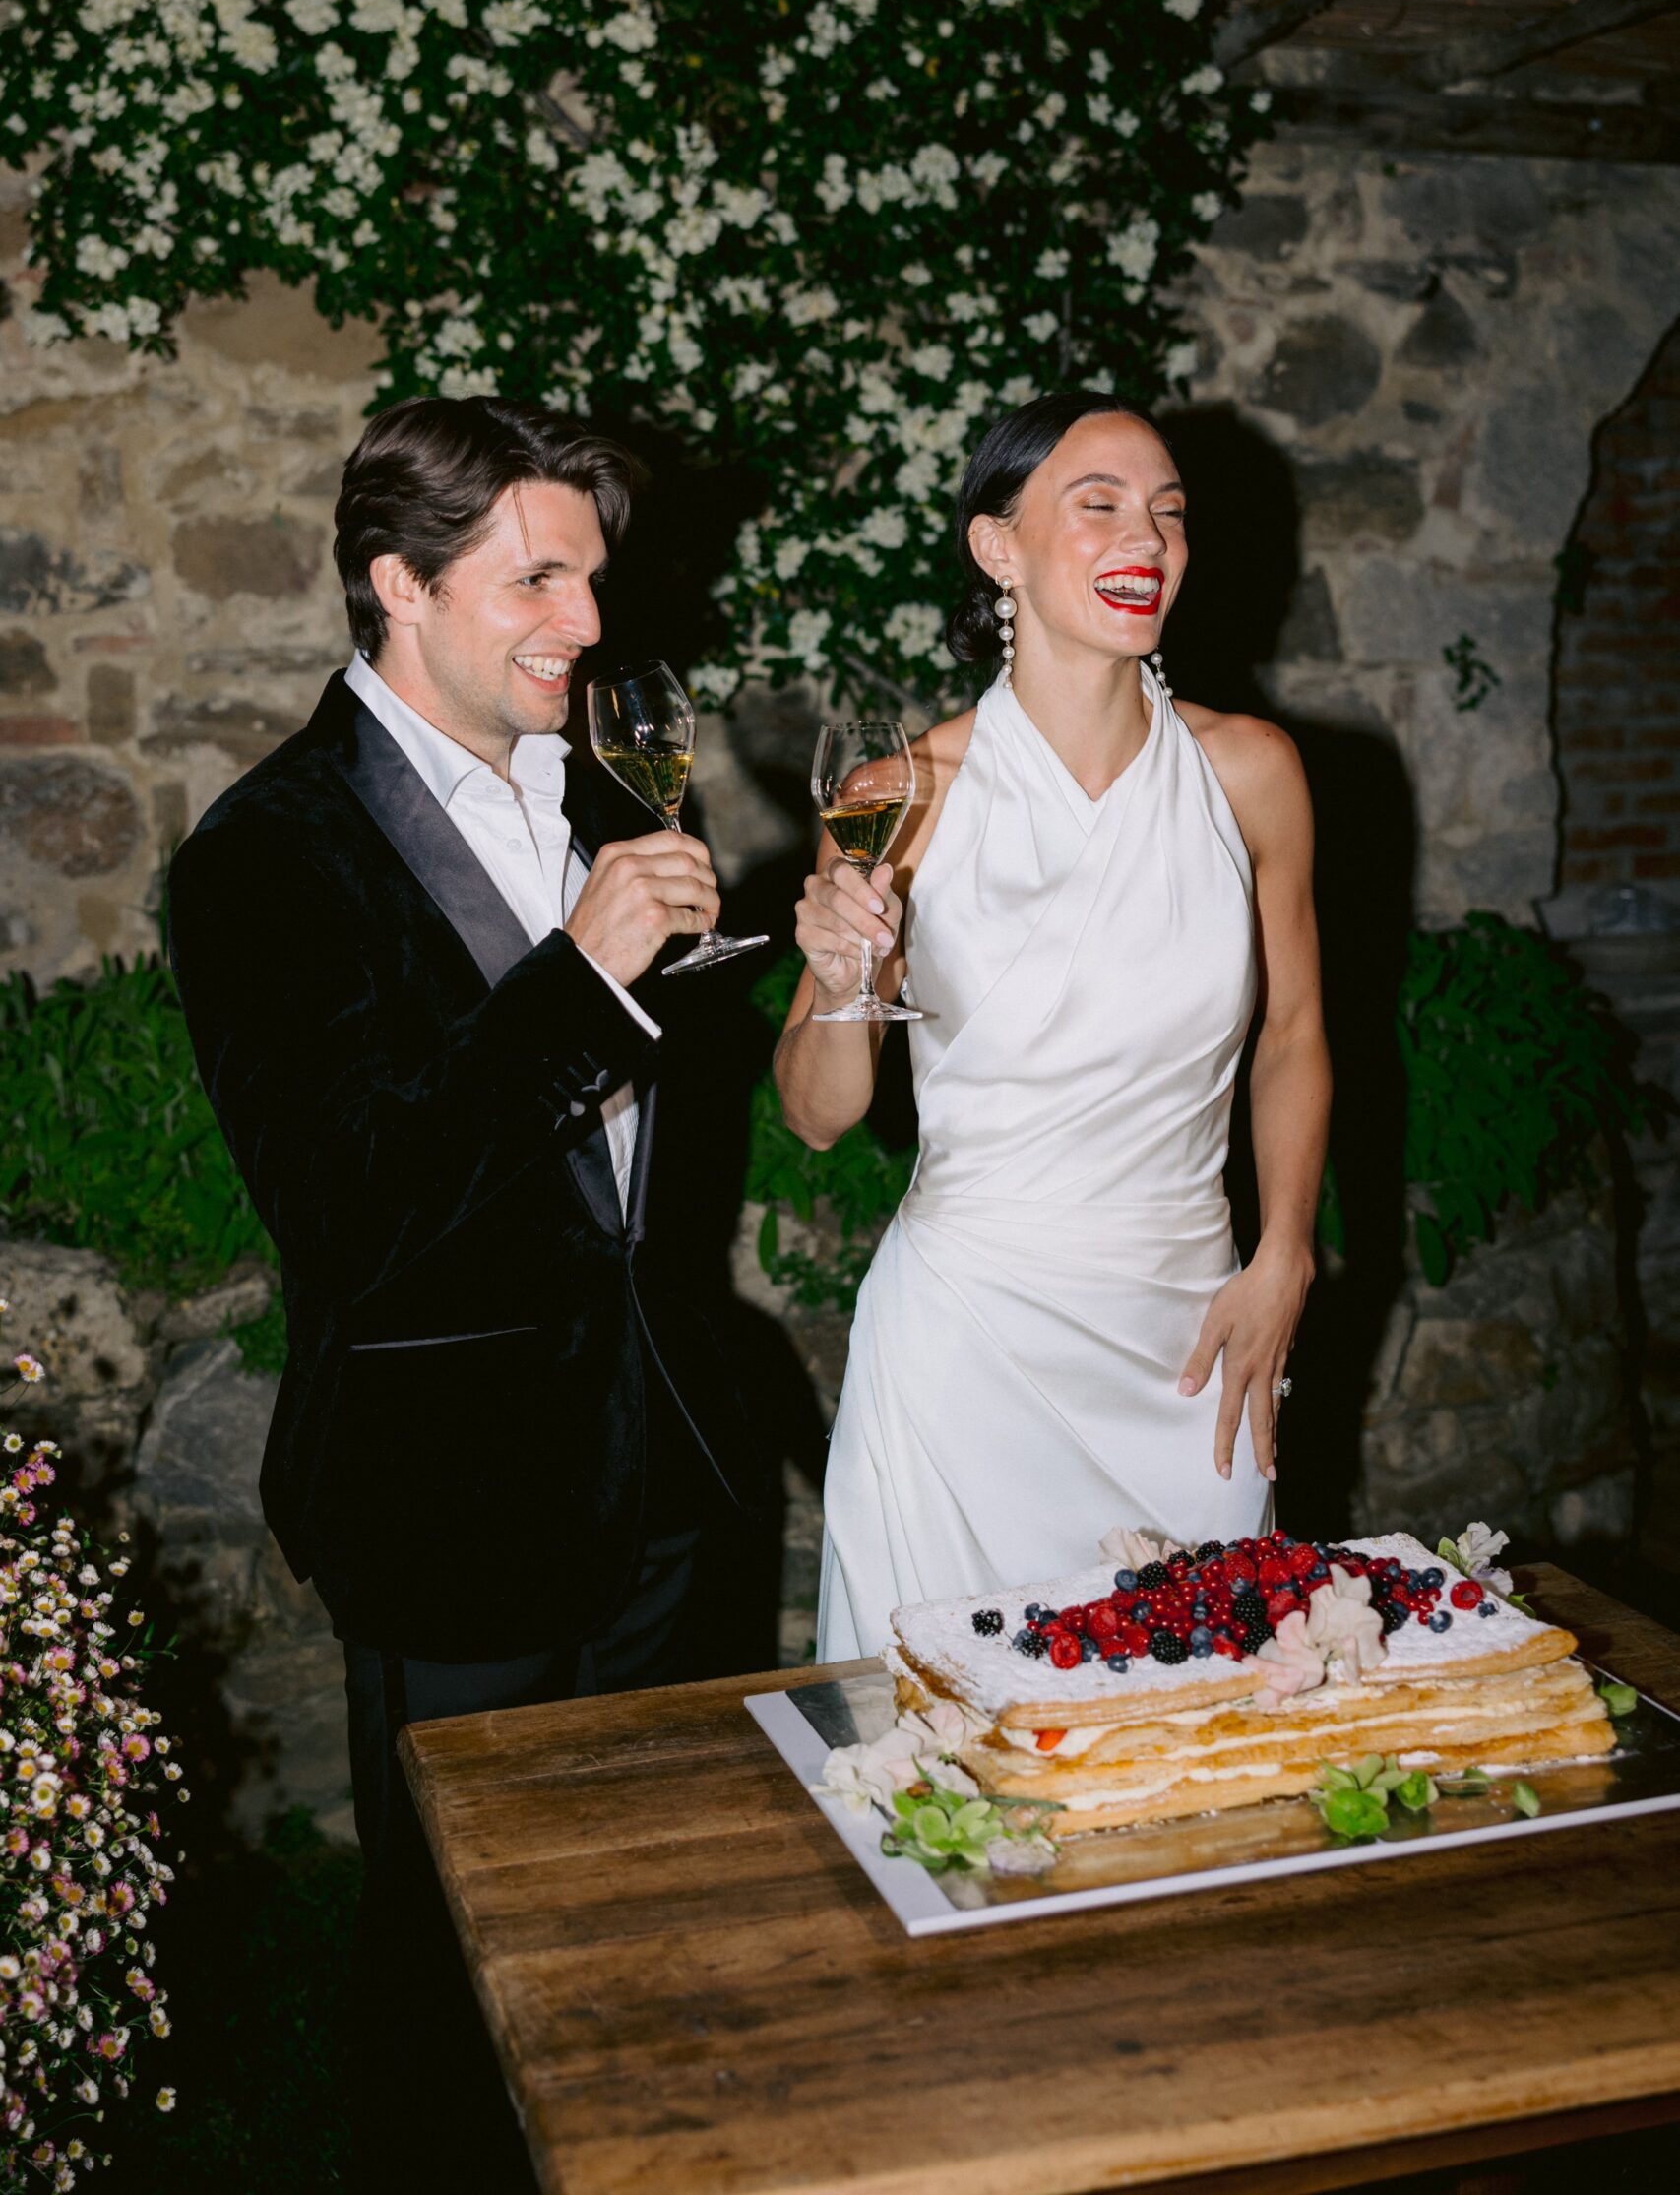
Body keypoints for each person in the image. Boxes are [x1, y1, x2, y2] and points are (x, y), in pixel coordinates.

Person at [168, 396, 755, 2189]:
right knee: (457, 1976)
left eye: (590, 574)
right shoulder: (266, 854)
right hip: (452, 1500)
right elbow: (354, 1214)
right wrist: (584, 975)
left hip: (659, 1469)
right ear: (397, 586)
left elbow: (618, 1167)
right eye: (538, 578)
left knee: (641, 1940)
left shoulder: (593, 795)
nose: (585, 621)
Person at [777, 393, 1332, 1661]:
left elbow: (1292, 1032)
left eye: (1170, 513)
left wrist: (1286, 1255)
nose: (1149, 536)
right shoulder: (897, 799)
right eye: (1100, 505)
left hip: (1189, 1342)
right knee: (953, 1765)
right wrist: (845, 974)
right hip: (965, 1340)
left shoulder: (1251, 772)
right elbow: (819, 1117)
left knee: (1203, 1739)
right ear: (997, 547)